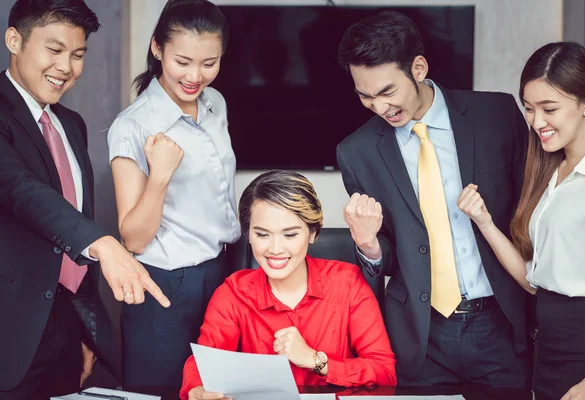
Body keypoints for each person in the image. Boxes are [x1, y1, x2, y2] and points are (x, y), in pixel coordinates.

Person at [336, 11, 532, 387]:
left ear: (419, 68)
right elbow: (395, 253)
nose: (379, 108)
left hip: (502, 326)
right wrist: (368, 246)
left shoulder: (496, 114)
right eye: (365, 96)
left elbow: (532, 212)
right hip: (420, 337)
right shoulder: (356, 152)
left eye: (387, 92)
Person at [0, 1, 170, 399]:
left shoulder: (70, 125)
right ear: (14, 40)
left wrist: (84, 330)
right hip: (10, 328)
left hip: (65, 325)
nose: (66, 67)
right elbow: (19, 188)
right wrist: (105, 245)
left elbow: (74, 216)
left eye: (78, 55)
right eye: (54, 50)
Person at [107, 0, 240, 388]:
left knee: (218, 390)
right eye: (183, 61)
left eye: (209, 63)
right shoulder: (132, 126)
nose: (195, 76)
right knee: (162, 391)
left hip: (222, 272)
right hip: (166, 285)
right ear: (157, 48)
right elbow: (133, 236)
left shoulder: (216, 103)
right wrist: (160, 176)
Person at [458, 41, 585, 400]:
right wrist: (485, 223)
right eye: (529, 108)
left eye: (549, 108)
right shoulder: (551, 172)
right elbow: (534, 280)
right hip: (549, 347)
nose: (537, 122)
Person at [179, 170, 396, 400]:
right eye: (262, 234)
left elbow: (384, 372)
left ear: (312, 233)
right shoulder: (233, 293)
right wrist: (198, 390)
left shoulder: (348, 283)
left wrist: (315, 360)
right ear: (249, 235)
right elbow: (203, 364)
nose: (275, 249)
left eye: (290, 235)